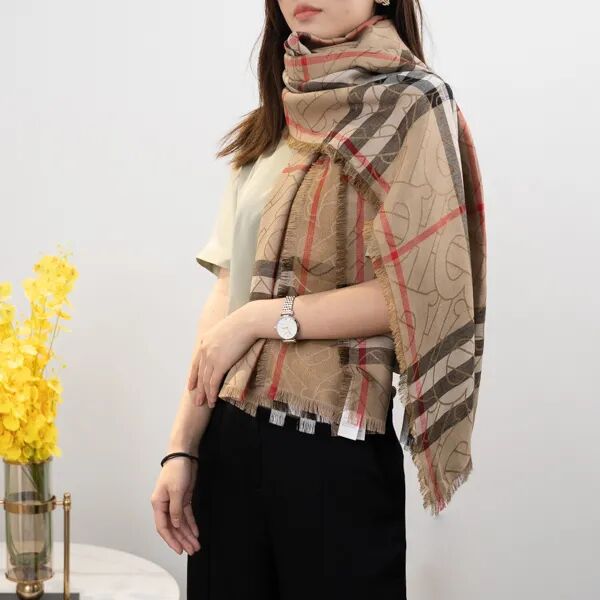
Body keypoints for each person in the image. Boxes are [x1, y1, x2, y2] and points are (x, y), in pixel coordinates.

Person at [151, 1, 487, 599]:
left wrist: (262, 318)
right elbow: (225, 295)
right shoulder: (273, 120)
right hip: (229, 442)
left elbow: (423, 290)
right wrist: (182, 448)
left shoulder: (414, 107)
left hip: (335, 451)